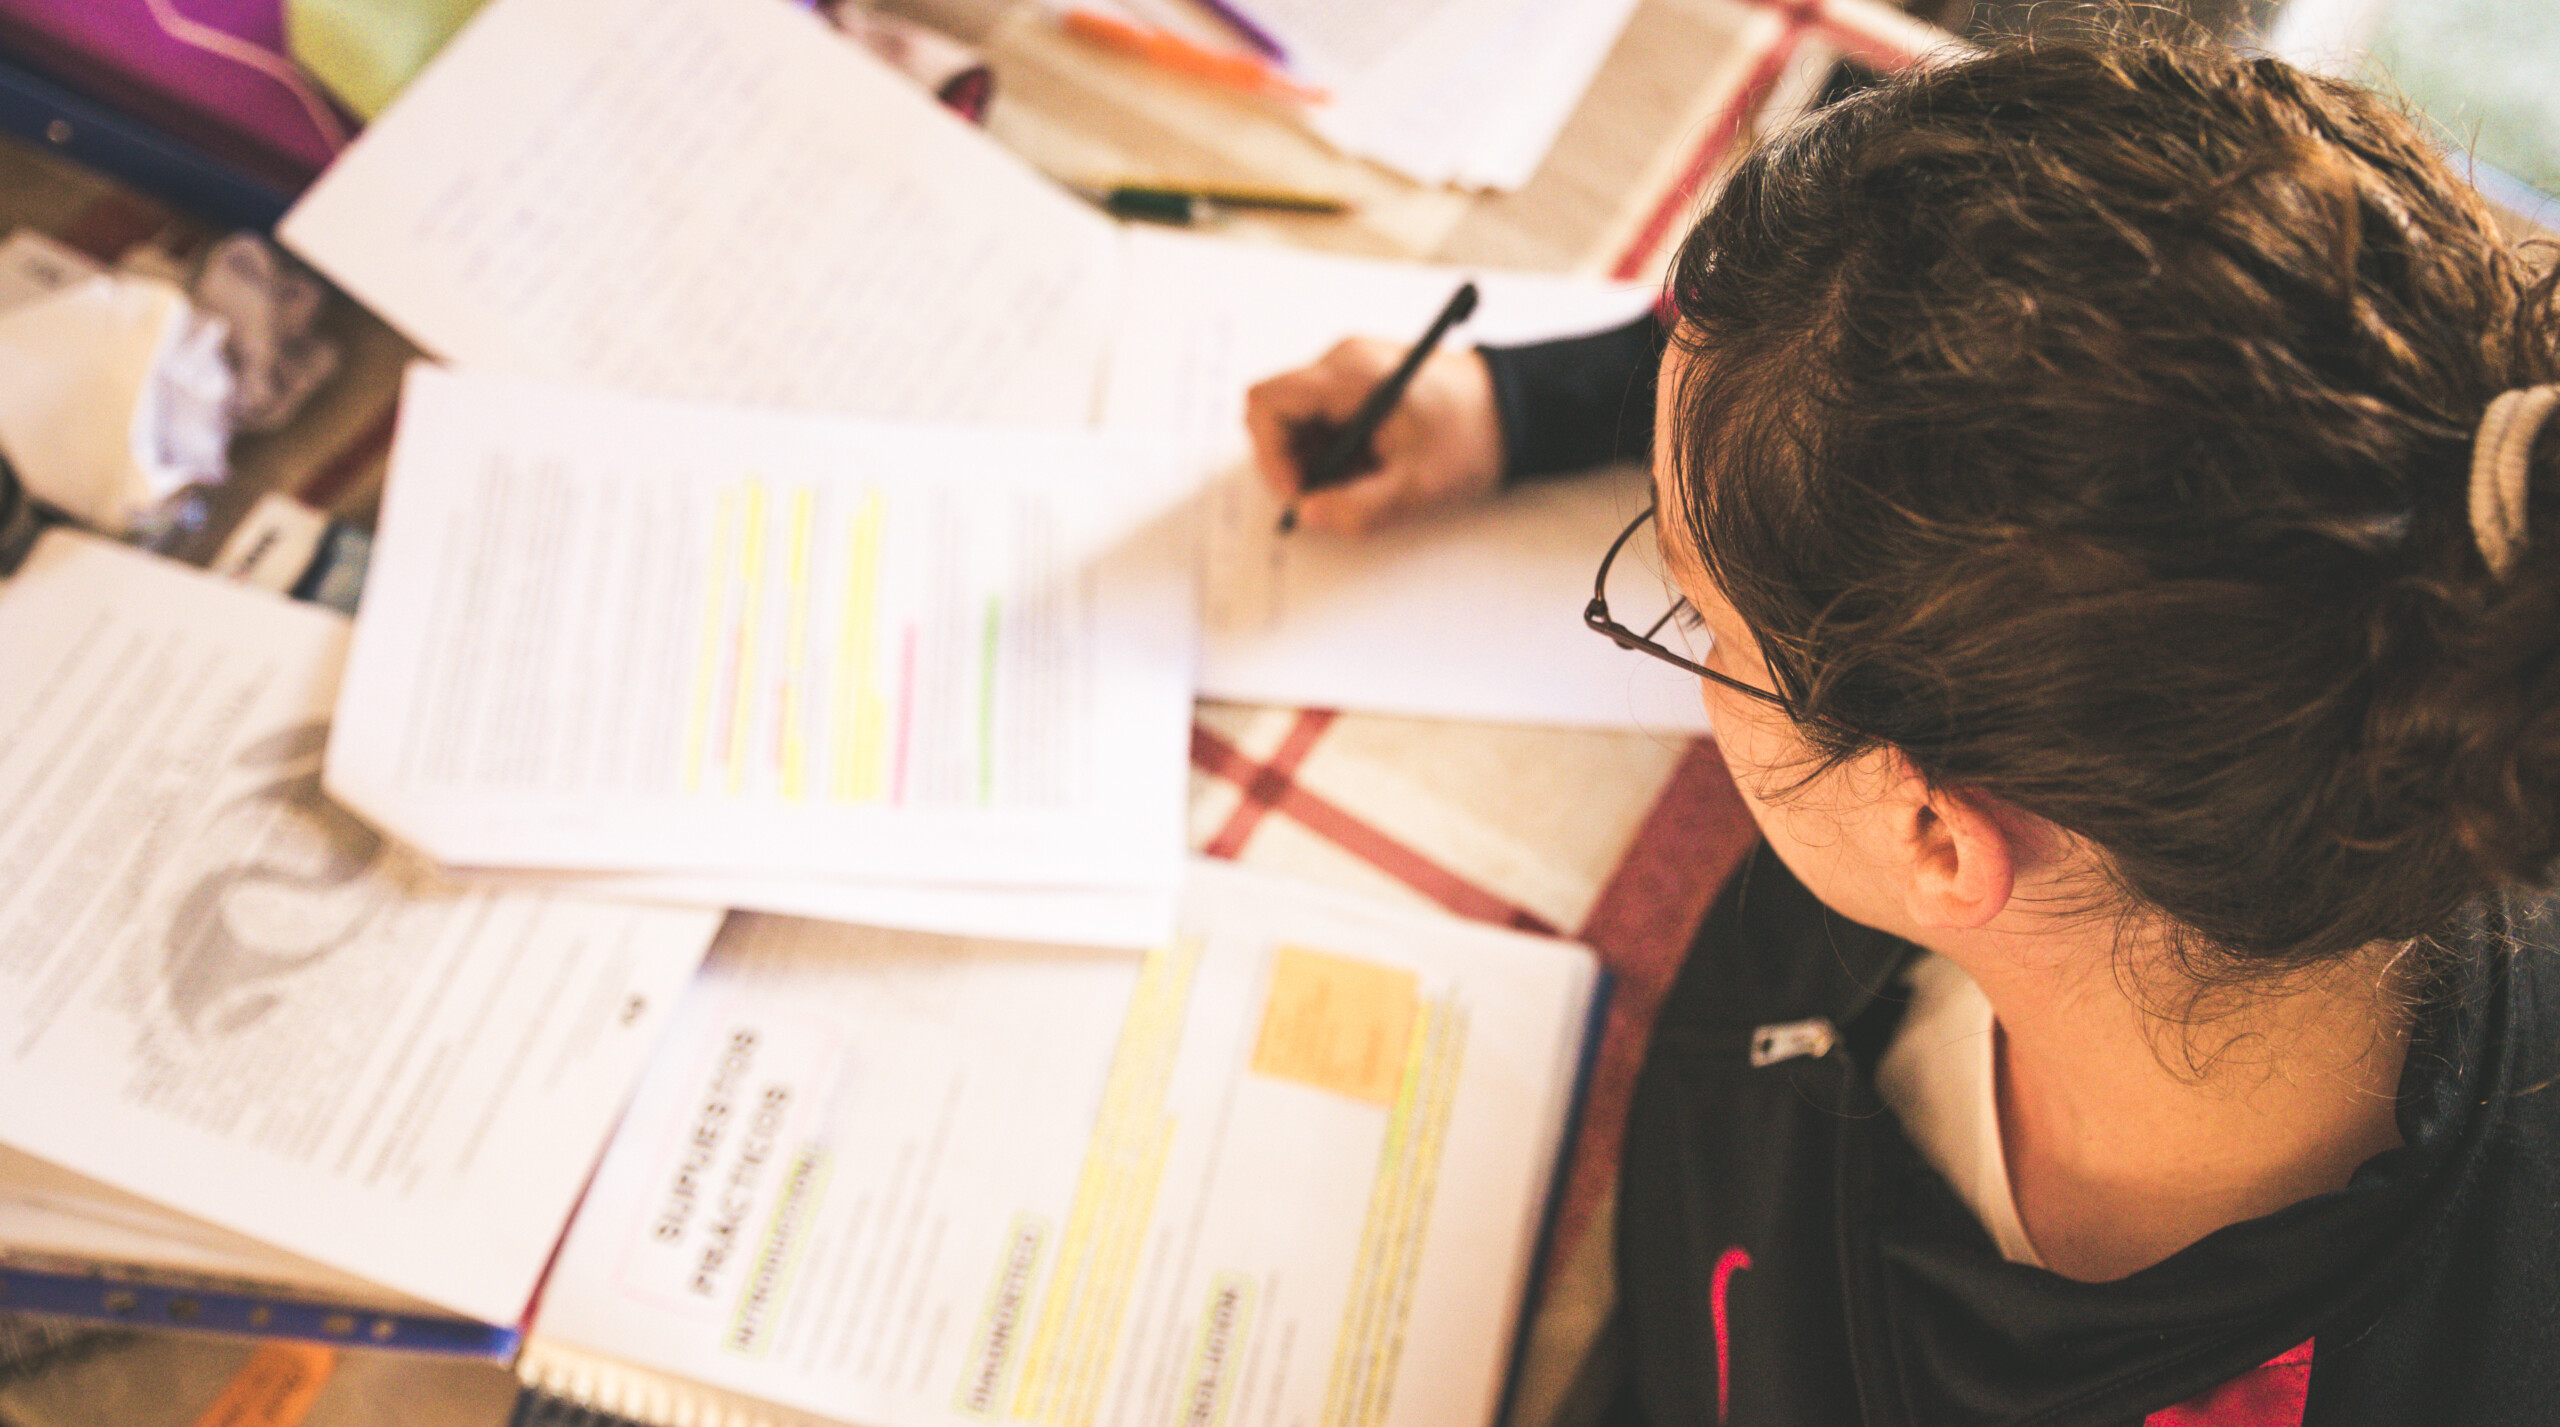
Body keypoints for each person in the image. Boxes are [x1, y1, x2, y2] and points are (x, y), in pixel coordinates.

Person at [1245, 37, 2558, 1427]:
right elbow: (1918, 363)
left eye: (1699, 625)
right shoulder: (2440, 619)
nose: (1695, 660)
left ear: (1937, 836)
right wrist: (1523, 404)